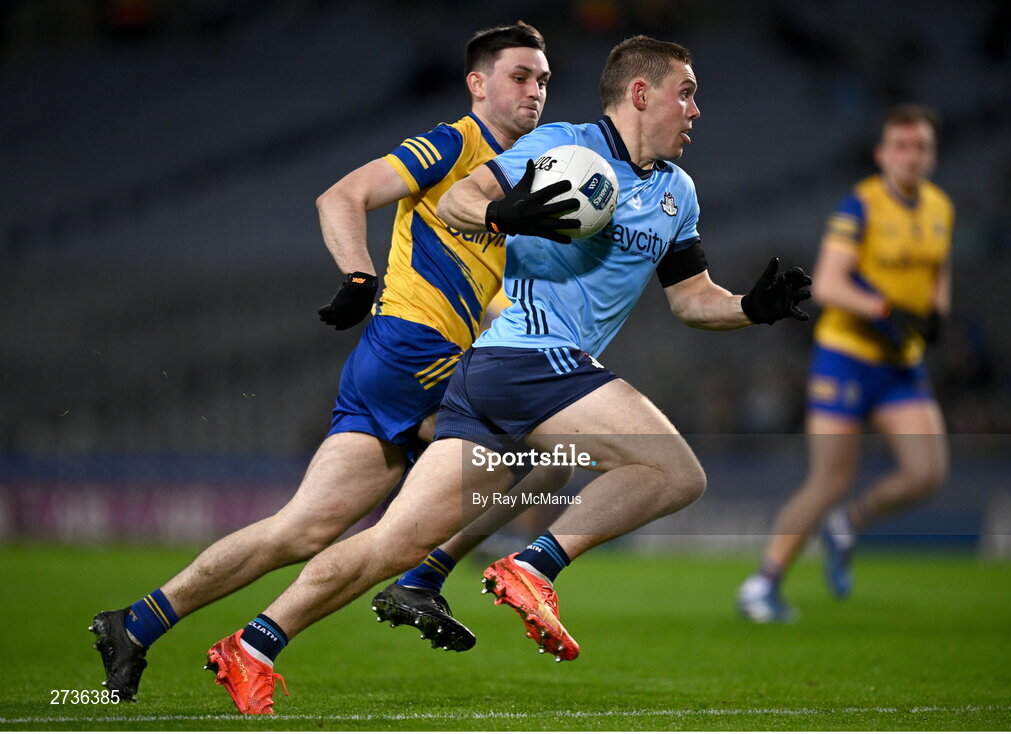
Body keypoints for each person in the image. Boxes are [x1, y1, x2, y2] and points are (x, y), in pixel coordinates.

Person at [202, 34, 812, 715]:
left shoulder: (677, 192)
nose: (696, 110)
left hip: (500, 379)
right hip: (527, 355)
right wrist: (502, 211)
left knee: (392, 543)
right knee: (675, 472)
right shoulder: (564, 147)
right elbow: (459, 200)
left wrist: (750, 309)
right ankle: (532, 565)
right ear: (642, 94)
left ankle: (253, 644)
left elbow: (691, 297)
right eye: (687, 93)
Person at [90, 21, 572, 703]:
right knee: (553, 434)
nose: (535, 91)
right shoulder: (451, 143)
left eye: (544, 80)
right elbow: (339, 196)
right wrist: (357, 276)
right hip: (412, 353)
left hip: (417, 362)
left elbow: (478, 288)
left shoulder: (511, 174)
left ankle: (135, 623)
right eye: (521, 76)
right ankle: (420, 581)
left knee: (301, 529)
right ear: (478, 84)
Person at [736, 104, 953, 622]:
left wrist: (938, 312)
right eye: (901, 146)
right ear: (882, 155)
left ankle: (848, 523)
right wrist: (884, 309)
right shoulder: (860, 206)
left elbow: (937, 272)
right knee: (829, 479)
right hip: (846, 358)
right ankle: (761, 584)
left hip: (900, 361)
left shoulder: (941, 208)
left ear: (932, 154)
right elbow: (829, 284)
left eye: (920, 146)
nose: (911, 155)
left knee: (927, 473)